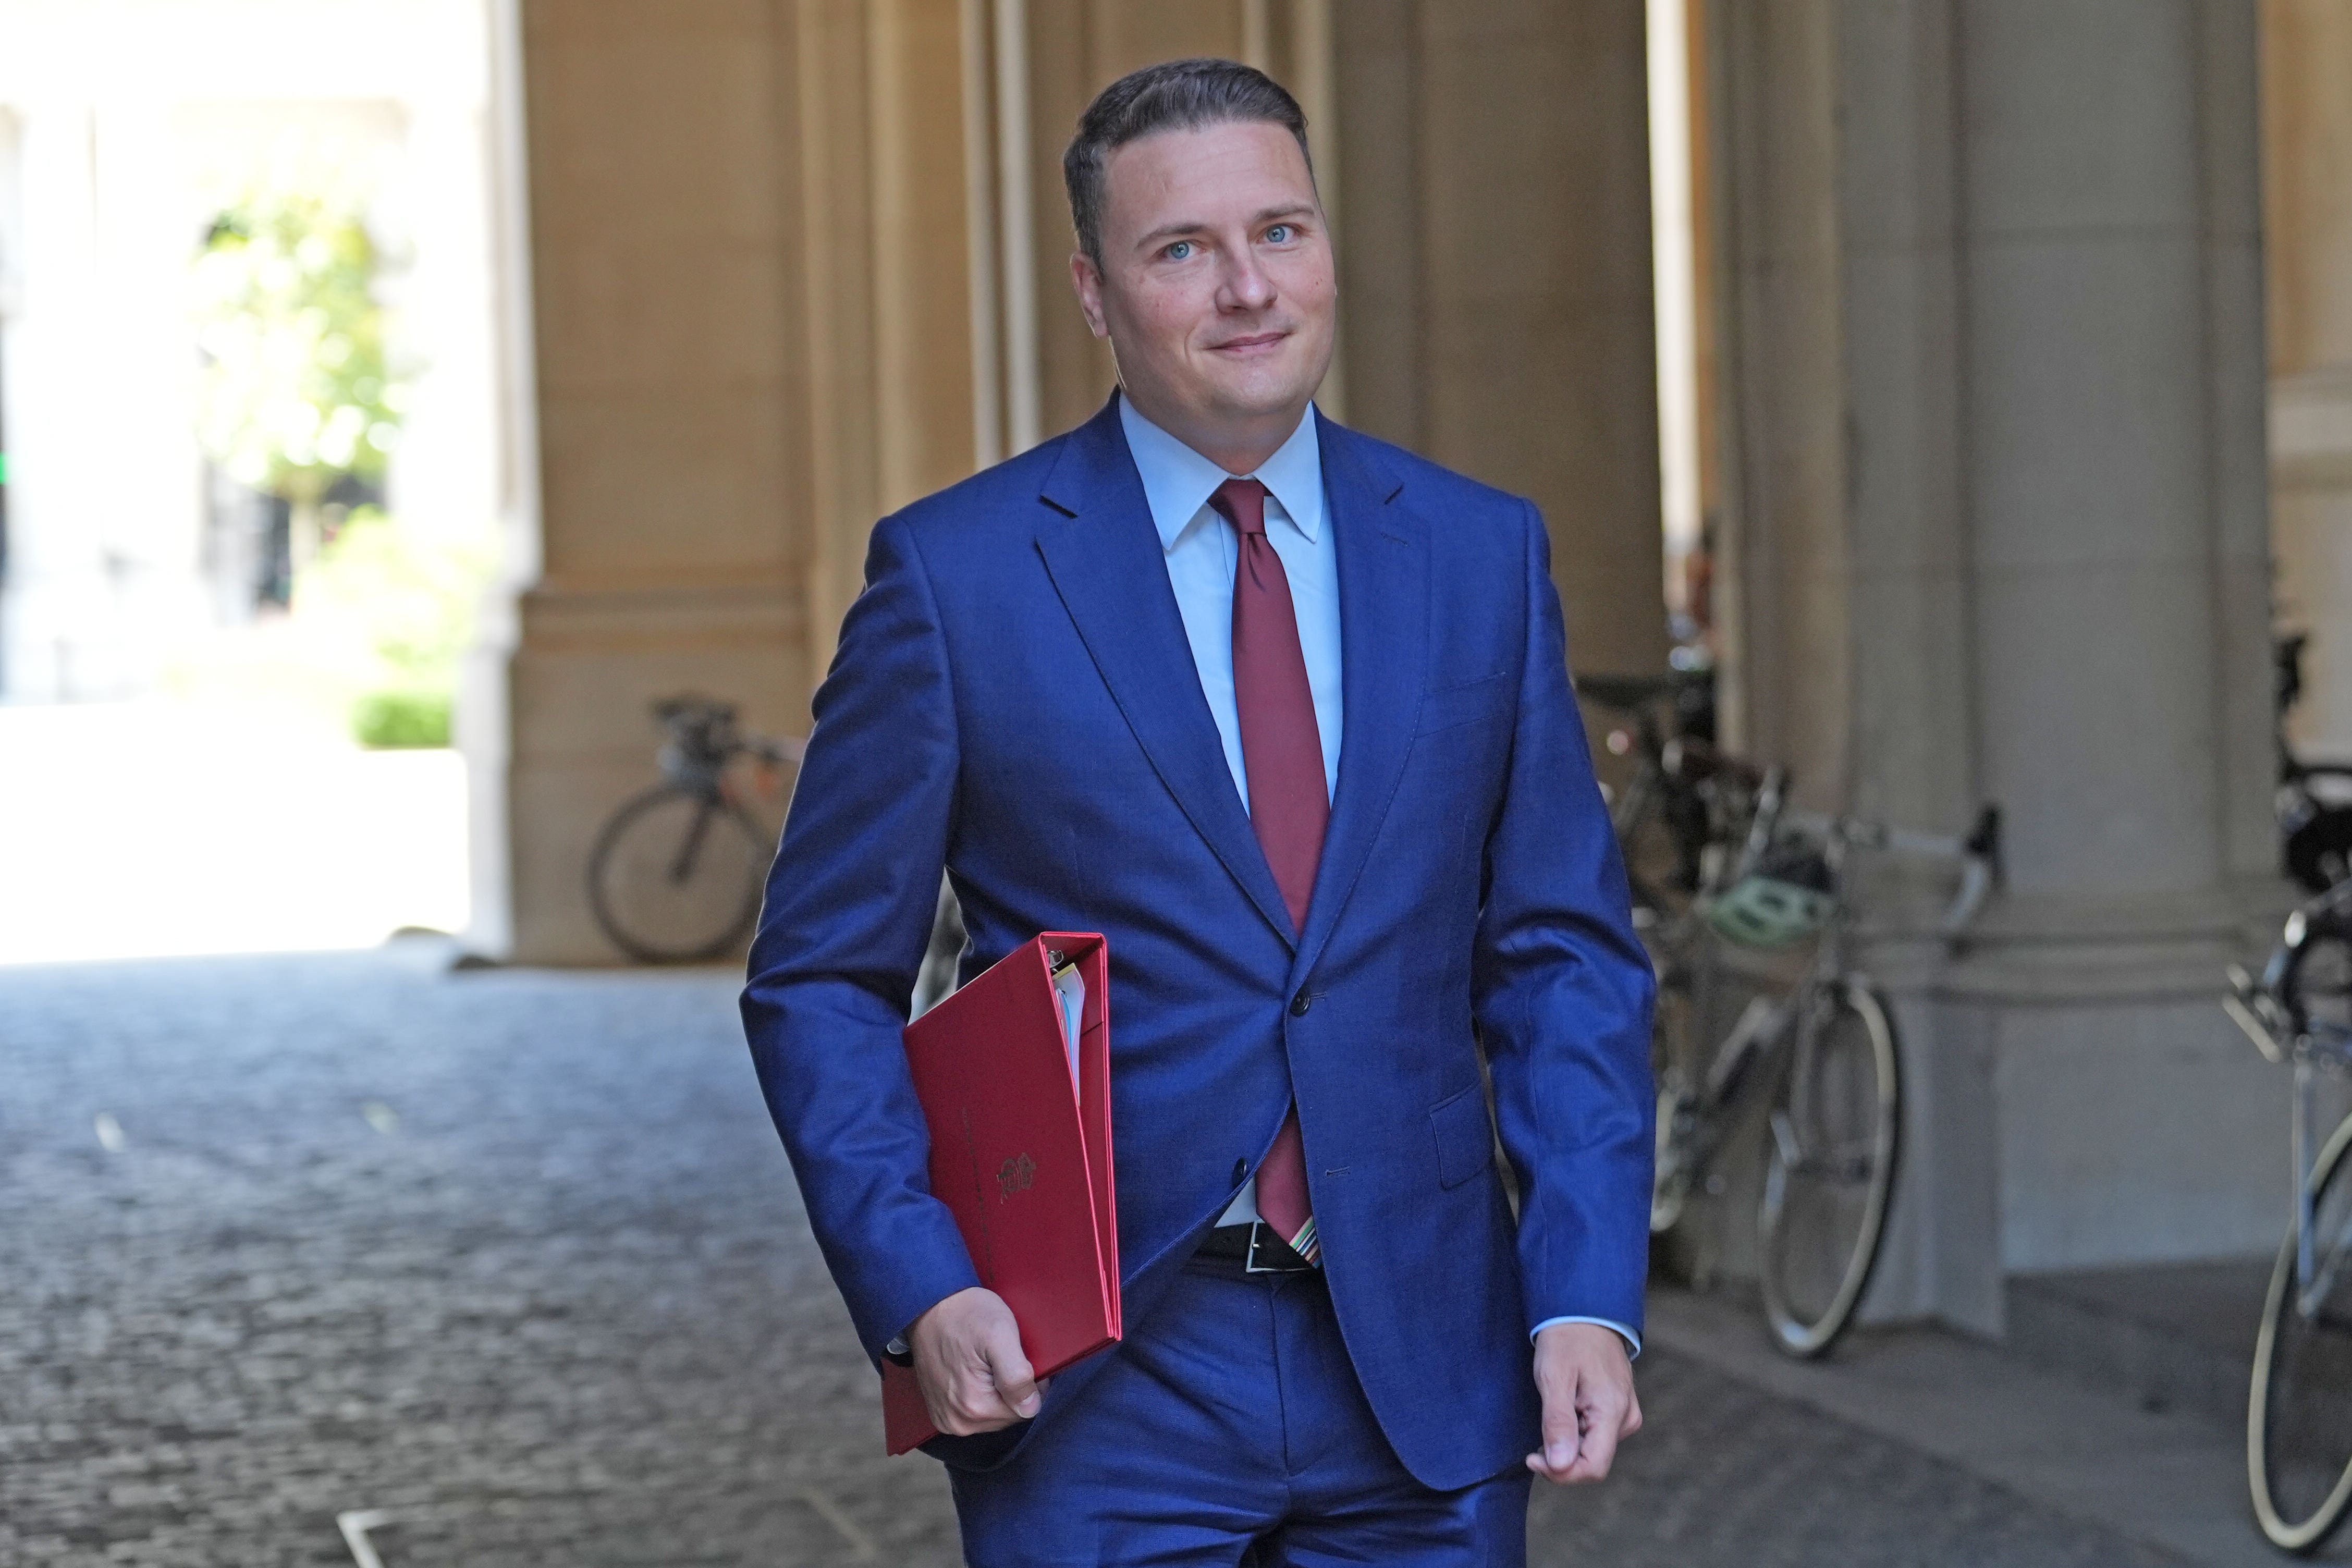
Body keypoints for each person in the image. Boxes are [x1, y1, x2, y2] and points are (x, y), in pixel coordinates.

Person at [742, 57, 1655, 1568]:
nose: (1247, 288)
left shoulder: (1480, 555)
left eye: (1280, 232)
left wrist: (1583, 1292)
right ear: (1098, 292)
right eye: (1183, 251)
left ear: (1328, 252)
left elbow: (1564, 957)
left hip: (1426, 1366)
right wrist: (919, 1278)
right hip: (1103, 1379)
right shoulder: (956, 581)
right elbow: (820, 979)